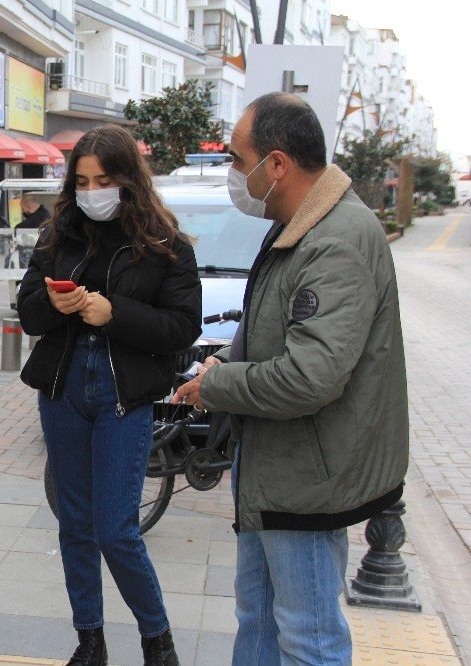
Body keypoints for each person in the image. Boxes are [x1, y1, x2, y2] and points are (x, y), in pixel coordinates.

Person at [174, 93, 408, 665]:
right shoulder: (298, 226)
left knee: (309, 637)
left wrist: (219, 385)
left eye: (237, 158)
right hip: (276, 470)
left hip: (309, 478)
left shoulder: (335, 239)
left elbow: (311, 376)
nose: (234, 172)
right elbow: (273, 327)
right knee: (258, 619)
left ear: (275, 163)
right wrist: (226, 362)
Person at [18, 125, 202, 666]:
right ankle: (90, 642)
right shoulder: (58, 236)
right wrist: (58, 304)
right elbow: (28, 310)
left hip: (124, 396)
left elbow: (181, 327)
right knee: (74, 525)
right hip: (65, 386)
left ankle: (157, 642)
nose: (91, 191)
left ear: (128, 181)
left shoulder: (167, 246)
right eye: (81, 180)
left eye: (103, 180)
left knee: (116, 529)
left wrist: (113, 313)